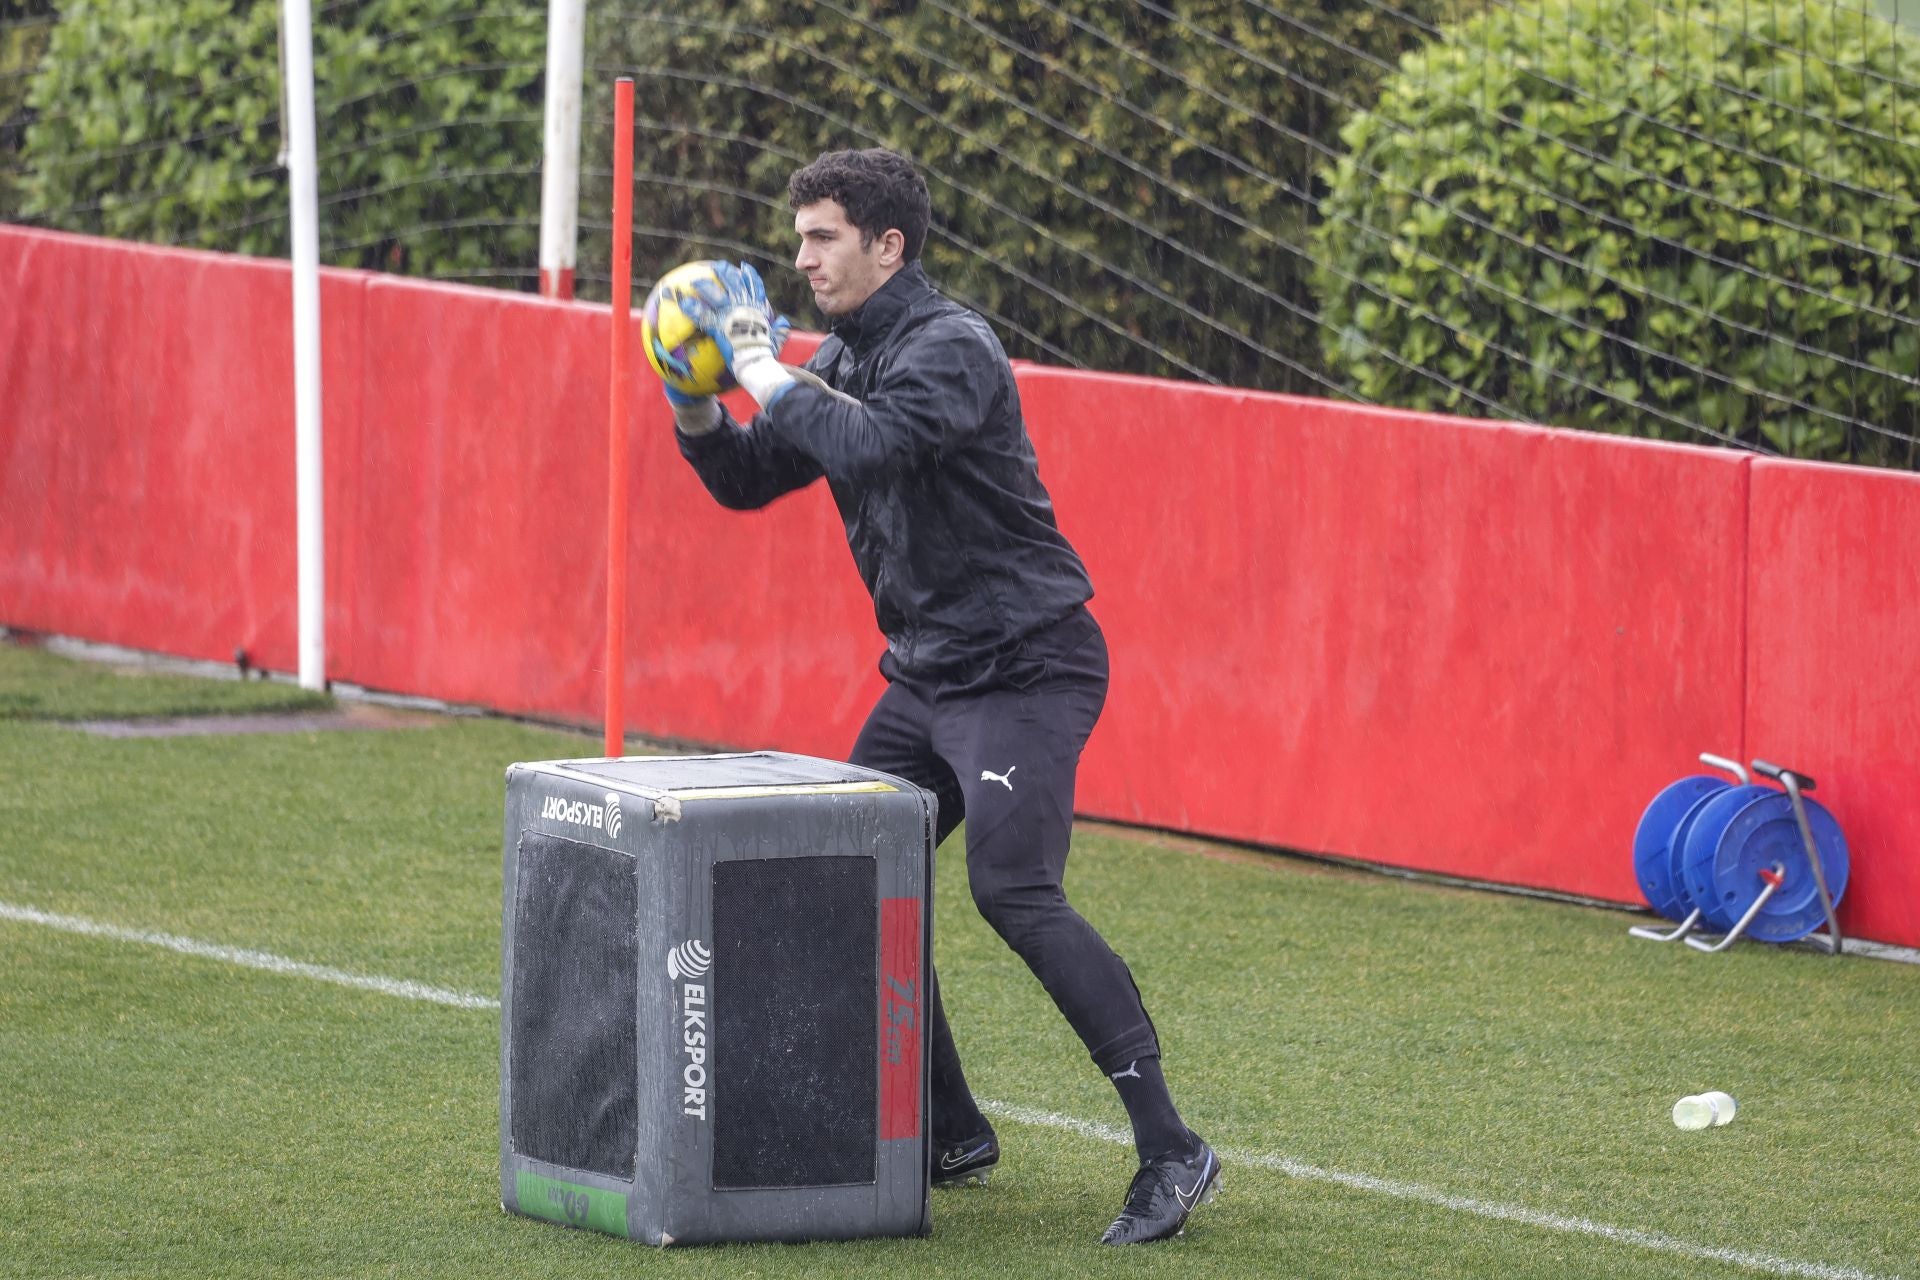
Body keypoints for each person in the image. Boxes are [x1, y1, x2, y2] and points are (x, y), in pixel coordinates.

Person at [658, 146, 1218, 1246]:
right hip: (927, 676)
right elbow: (745, 478)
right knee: (857, 882)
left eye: (822, 235)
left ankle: (1172, 1147)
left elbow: (870, 446)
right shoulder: (845, 353)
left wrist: (763, 364)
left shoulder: (949, 346)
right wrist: (691, 395)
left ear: (887, 244)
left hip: (1028, 665)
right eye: (802, 234)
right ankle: (952, 1128)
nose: (802, 255)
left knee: (1010, 889)